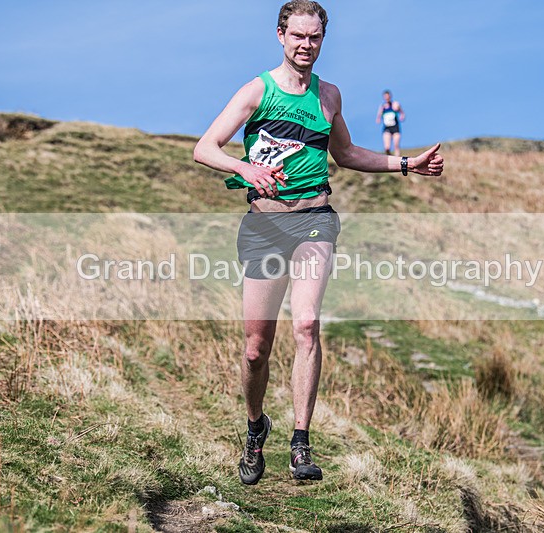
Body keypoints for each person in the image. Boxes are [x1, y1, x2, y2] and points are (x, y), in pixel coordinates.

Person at [193, 0, 443, 485]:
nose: (306, 45)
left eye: (315, 37)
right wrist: (244, 168)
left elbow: (345, 154)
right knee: (255, 349)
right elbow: (204, 148)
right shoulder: (257, 90)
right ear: (281, 36)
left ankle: (300, 442)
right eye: (298, 36)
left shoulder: (329, 96)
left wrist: (406, 164)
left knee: (306, 324)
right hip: (264, 226)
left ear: (323, 39)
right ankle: (255, 427)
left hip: (314, 220)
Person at [376, 90, 405, 156]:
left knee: (396, 145)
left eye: (388, 96)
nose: (387, 98)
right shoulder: (383, 106)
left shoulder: (395, 104)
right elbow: (379, 115)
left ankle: (397, 160)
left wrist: (402, 116)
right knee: (387, 148)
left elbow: (402, 112)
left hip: (395, 127)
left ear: (390, 96)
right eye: (385, 97)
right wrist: (378, 119)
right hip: (387, 127)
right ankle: (390, 158)